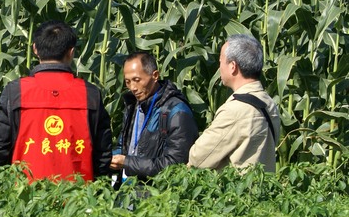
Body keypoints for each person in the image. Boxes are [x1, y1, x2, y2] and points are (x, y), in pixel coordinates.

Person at [0, 20, 112, 182]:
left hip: (24, 193)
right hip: (78, 195)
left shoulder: (16, 92)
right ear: (71, 52)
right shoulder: (89, 94)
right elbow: (102, 156)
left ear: (35, 49)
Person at [188, 34, 281, 172]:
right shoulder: (269, 103)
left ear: (233, 66)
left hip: (237, 185)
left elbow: (198, 158)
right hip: (263, 184)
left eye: (221, 62)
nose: (219, 68)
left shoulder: (234, 111)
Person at [110, 52, 198, 187]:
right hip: (127, 190)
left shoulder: (176, 111)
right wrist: (107, 158)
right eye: (128, 82)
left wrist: (127, 162)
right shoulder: (133, 106)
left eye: (137, 80)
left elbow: (175, 164)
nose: (133, 87)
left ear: (155, 75)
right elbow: (124, 147)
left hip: (157, 193)